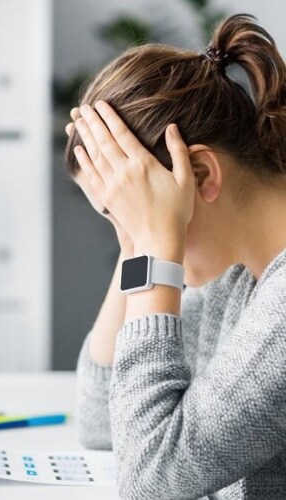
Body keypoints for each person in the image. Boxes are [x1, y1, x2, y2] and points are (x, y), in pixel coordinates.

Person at [65, 13, 286, 500]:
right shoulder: (241, 280)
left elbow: (152, 480)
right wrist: (136, 246)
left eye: (126, 212)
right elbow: (102, 417)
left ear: (202, 176)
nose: (132, 235)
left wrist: (155, 245)